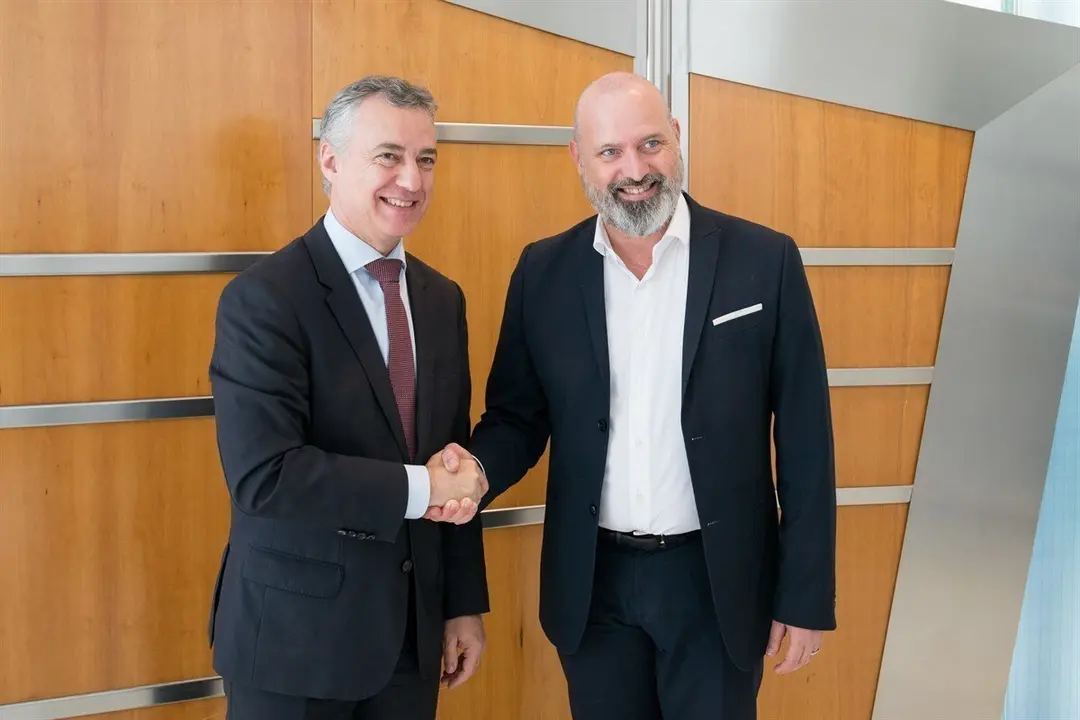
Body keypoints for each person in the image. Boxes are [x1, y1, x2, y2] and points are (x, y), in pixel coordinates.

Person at [434, 72, 837, 719]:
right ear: (579, 158)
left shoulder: (765, 260)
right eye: (610, 151)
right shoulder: (543, 271)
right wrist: (476, 471)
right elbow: (517, 417)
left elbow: (806, 440)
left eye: (650, 144)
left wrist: (805, 595)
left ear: (676, 137)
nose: (635, 169)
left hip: (719, 583)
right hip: (594, 584)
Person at [207, 75, 490, 720]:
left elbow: (452, 458)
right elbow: (265, 476)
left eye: (425, 159)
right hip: (294, 646)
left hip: (411, 643)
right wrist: (422, 487)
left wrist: (460, 604)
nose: (411, 181)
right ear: (330, 161)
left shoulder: (442, 300)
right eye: (388, 156)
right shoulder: (265, 298)